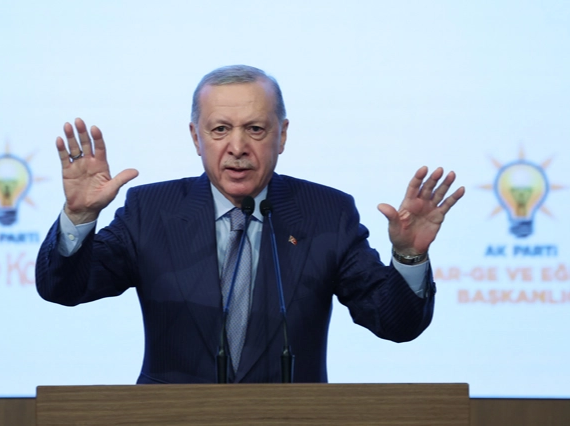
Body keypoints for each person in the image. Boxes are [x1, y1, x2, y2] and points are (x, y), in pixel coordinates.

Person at [36, 65, 465, 384]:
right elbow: (64, 289)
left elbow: (396, 324)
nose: (237, 147)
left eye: (255, 129)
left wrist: (409, 256)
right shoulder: (152, 211)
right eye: (220, 129)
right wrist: (80, 217)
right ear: (195, 137)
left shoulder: (326, 213)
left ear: (282, 135)